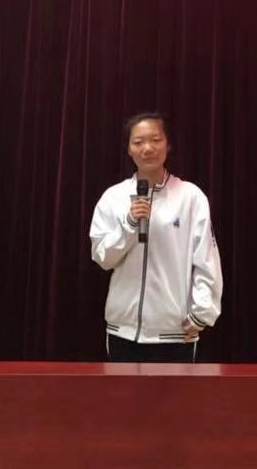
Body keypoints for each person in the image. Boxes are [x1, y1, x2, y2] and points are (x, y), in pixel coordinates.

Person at [89, 112, 222, 362]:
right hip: (122, 332)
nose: (147, 148)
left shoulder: (190, 197)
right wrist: (130, 224)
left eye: (155, 140)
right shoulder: (113, 197)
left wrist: (201, 314)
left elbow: (206, 259)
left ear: (167, 144)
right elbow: (102, 258)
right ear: (129, 149)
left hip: (175, 334)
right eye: (138, 142)